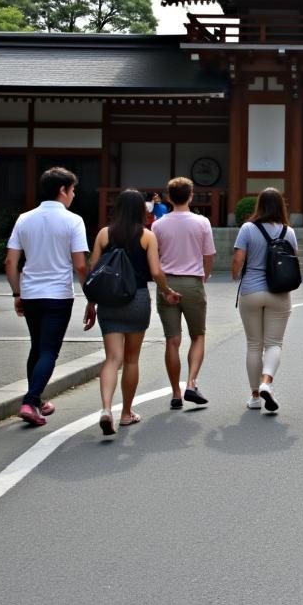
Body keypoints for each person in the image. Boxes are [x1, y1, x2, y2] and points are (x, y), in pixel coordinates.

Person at [85, 189, 181, 435]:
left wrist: (91, 303)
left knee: (112, 359)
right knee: (131, 359)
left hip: (109, 301)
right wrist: (166, 290)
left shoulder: (104, 234)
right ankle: (126, 413)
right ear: (141, 210)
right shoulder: (146, 235)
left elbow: (93, 269)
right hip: (137, 299)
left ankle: (106, 409)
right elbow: (156, 271)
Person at [4, 167, 90, 427]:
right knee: (49, 350)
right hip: (57, 295)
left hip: (30, 292)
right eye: (73, 189)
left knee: (37, 346)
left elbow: (10, 260)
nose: (74, 195)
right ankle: (30, 401)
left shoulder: (24, 219)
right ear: (62, 190)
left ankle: (38, 401)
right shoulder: (73, 220)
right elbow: (81, 265)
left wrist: (17, 292)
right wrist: (91, 297)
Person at [152, 176, 216, 409]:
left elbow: (154, 259)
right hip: (192, 281)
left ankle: (176, 393)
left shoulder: (158, 224)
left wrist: (162, 285)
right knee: (197, 335)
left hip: (167, 283)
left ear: (168, 197)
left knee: (173, 340)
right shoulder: (202, 222)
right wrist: (203, 277)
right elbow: (209, 256)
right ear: (190, 196)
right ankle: (191, 383)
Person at [232, 187, 298, 412]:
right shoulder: (288, 231)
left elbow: (238, 259)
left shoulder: (248, 228)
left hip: (251, 290)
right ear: (281, 205)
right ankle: (266, 382)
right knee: (273, 343)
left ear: (259, 204)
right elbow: (293, 259)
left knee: (254, 344)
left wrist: (235, 275)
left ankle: (254, 397)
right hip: (279, 292)